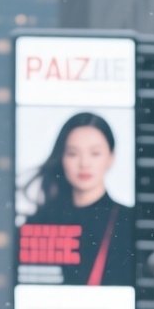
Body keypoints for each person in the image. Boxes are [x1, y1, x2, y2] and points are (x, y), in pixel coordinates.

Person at [17, 112, 135, 287]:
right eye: (73, 154)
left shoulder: (129, 222)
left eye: (95, 153)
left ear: (111, 157)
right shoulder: (40, 223)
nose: (84, 163)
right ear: (62, 158)